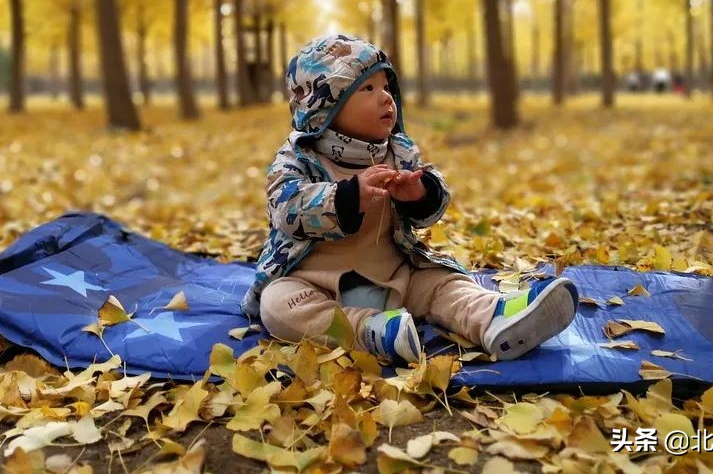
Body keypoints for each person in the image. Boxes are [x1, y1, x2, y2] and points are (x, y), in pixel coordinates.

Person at [241, 34, 578, 363]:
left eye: (387, 87)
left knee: (444, 284)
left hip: (398, 277)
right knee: (278, 306)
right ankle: (370, 331)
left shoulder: (399, 151)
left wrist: (420, 192)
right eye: (368, 89)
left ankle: (494, 316)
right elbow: (285, 208)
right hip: (316, 283)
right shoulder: (298, 158)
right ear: (326, 107)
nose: (385, 97)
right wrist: (346, 197)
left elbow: (433, 203)